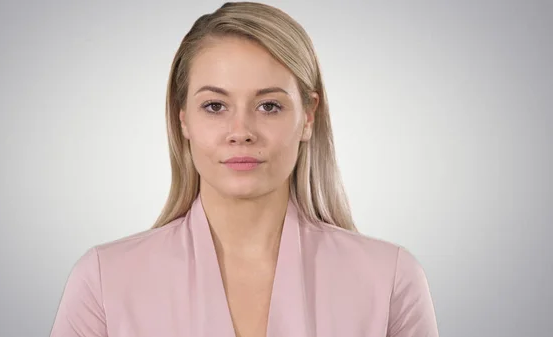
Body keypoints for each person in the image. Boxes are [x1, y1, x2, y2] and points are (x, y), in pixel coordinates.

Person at [49, 2, 439, 336]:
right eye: (215, 106)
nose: (241, 133)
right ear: (182, 117)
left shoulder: (389, 279)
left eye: (269, 105)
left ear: (308, 117)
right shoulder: (104, 281)